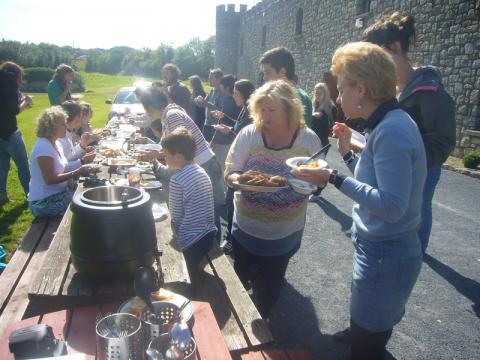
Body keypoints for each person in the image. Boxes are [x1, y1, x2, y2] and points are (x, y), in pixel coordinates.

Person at [293, 42, 426, 359]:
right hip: (382, 250)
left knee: (368, 345)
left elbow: (392, 207)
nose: (337, 98)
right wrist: (345, 155)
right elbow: (375, 183)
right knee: (369, 330)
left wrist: (332, 178)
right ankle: (364, 332)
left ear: (362, 90)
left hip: (385, 254)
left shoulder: (391, 130)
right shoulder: (387, 123)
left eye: (341, 89)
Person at [225, 79, 321, 317]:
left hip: (284, 234)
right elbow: (231, 170)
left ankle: (262, 321)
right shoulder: (250, 134)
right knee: (240, 280)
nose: (265, 115)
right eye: (262, 109)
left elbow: (318, 181)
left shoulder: (308, 139)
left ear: (289, 108)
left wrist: (314, 185)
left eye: (272, 109)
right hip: (247, 231)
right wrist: (238, 181)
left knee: (269, 288)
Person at [363, 12, 456, 254]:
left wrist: (410, 156)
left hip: (423, 170)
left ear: (394, 48)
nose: (372, 66)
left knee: (418, 212)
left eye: (375, 57)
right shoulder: (392, 88)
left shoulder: (429, 89)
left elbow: (443, 141)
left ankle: (414, 255)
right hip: (397, 165)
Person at [138, 86, 224, 241]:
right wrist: (156, 153)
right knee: (205, 211)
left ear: (149, 107)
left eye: (145, 108)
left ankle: (213, 248)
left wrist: (156, 154)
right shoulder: (167, 116)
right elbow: (173, 147)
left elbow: (180, 147)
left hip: (204, 165)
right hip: (199, 165)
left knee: (209, 212)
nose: (146, 113)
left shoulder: (172, 116)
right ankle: (210, 244)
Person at [161, 127, 216, 287]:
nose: (164, 159)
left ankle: (189, 289)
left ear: (178, 157)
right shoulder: (202, 171)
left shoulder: (177, 180)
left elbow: (176, 216)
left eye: (165, 156)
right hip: (208, 235)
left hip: (191, 241)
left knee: (169, 258)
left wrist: (174, 238)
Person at [211, 79, 255, 254]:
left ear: (243, 94)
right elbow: (239, 129)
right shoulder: (244, 110)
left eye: (236, 92)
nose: (234, 95)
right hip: (238, 159)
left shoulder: (251, 113)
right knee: (232, 201)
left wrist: (228, 131)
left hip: (244, 163)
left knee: (232, 200)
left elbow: (245, 138)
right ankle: (233, 236)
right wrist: (226, 121)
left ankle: (231, 239)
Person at [28, 107, 94, 217]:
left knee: (88, 194)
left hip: (59, 194)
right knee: (86, 205)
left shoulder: (56, 143)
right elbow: (50, 179)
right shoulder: (43, 147)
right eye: (63, 124)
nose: (66, 127)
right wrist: (77, 172)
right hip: (44, 202)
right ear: (51, 127)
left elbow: (63, 167)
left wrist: (73, 184)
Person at [0, 61, 32, 204]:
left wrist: (19, 98)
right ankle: (31, 195)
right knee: (23, 165)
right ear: (17, 73)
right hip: (10, 132)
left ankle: (2, 196)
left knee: (2, 167)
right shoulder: (11, 83)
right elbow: (14, 110)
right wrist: (26, 102)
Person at [260, 47, 313, 129]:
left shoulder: (296, 98)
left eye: (267, 73)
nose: (264, 78)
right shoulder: (302, 95)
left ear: (282, 72)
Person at [210, 74, 241, 192]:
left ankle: (223, 195)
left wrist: (214, 140)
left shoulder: (227, 100)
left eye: (221, 85)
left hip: (224, 141)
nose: (219, 87)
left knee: (223, 168)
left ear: (226, 87)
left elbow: (221, 122)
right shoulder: (234, 102)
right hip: (230, 140)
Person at [57, 101, 96, 171]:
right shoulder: (61, 135)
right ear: (77, 117)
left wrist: (82, 145)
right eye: (80, 115)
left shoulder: (68, 132)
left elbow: (69, 156)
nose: (81, 119)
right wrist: (82, 161)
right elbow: (63, 167)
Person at [194, 68, 224, 142]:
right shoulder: (212, 90)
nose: (209, 80)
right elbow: (203, 103)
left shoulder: (222, 92)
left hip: (215, 126)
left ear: (219, 79)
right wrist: (198, 100)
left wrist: (205, 103)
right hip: (207, 123)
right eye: (209, 78)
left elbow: (220, 110)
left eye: (211, 78)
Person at [311, 82, 337, 148]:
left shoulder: (331, 107)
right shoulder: (314, 105)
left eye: (320, 93)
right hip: (312, 139)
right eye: (316, 93)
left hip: (323, 141)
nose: (318, 95)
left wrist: (323, 117)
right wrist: (313, 115)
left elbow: (332, 124)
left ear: (325, 94)